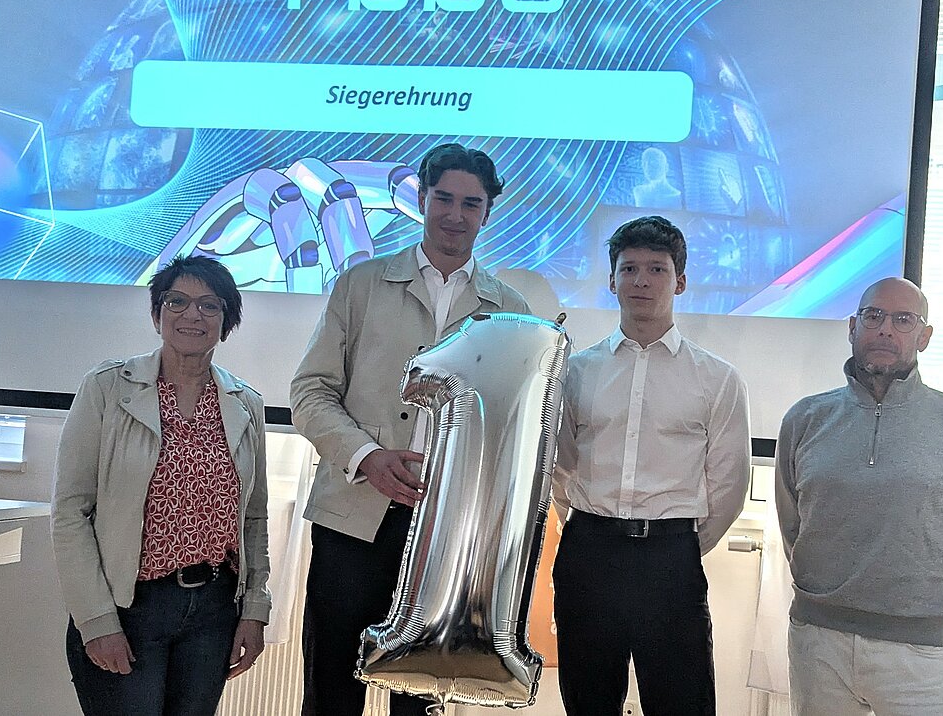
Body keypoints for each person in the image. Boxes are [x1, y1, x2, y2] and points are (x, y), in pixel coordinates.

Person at [290, 142, 531, 716]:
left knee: (420, 699)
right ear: (421, 198)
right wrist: (368, 456)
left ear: (487, 212)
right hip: (353, 519)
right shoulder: (360, 284)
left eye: (470, 204)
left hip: (450, 536)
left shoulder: (510, 311)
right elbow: (310, 392)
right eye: (443, 198)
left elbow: (513, 434)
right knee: (331, 688)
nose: (455, 214)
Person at [775, 277, 943, 716]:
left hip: (921, 652)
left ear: (924, 336)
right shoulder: (805, 419)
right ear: (853, 327)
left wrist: (932, 610)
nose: (885, 329)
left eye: (903, 319)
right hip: (818, 643)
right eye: (874, 316)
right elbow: (793, 525)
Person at [52, 255, 270, 716]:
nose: (192, 314)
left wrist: (255, 609)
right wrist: (96, 619)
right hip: (130, 608)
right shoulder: (108, 388)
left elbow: (253, 517)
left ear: (226, 322)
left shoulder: (245, 403)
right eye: (177, 301)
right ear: (157, 314)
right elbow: (71, 512)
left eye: (209, 305)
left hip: (213, 612)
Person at [551, 215, 751, 716]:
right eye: (630, 268)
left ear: (679, 281)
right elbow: (560, 466)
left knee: (683, 702)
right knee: (587, 702)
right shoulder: (576, 371)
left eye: (657, 269)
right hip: (589, 554)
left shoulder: (717, 377)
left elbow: (728, 483)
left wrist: (679, 544)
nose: (641, 281)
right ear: (611, 280)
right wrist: (589, 528)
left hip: (669, 559)